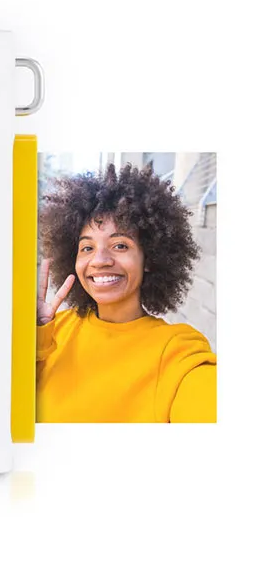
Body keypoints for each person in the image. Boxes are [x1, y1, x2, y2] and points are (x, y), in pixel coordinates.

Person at [36, 162, 215, 423]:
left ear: (149, 258)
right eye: (87, 248)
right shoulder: (51, 331)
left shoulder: (176, 351)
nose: (100, 260)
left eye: (120, 245)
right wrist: (31, 341)